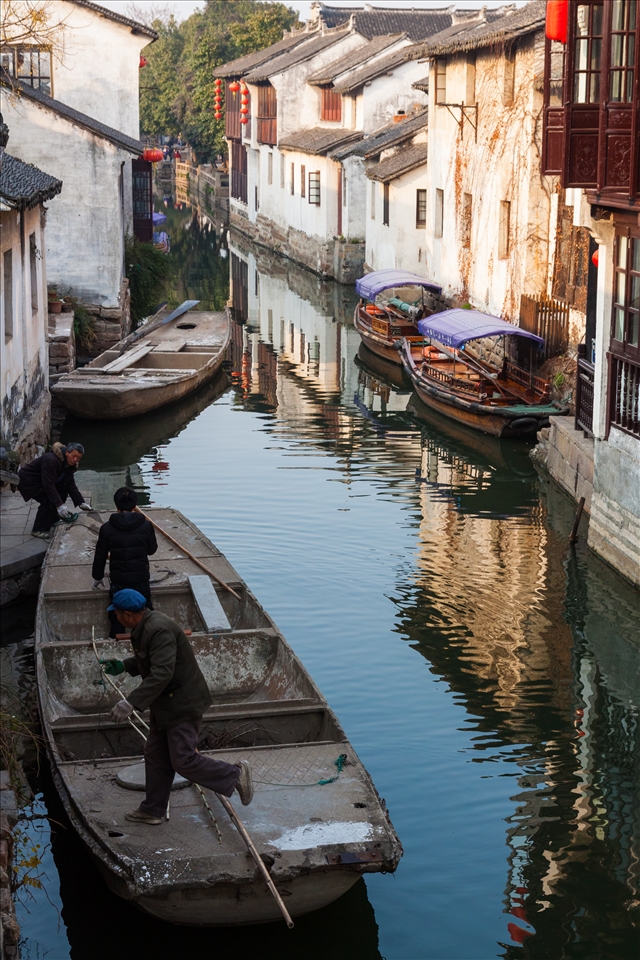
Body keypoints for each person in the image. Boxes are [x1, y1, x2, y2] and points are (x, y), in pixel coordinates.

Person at [101, 589, 253, 824]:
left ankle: (235, 775)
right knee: (156, 755)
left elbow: (162, 672)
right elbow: (150, 659)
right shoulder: (146, 625)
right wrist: (124, 666)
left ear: (128, 614)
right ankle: (152, 810)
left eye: (117, 614)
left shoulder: (158, 629)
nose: (115, 618)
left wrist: (130, 702)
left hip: (181, 703)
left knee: (182, 760)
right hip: (165, 703)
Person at [92, 487, 157, 639]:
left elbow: (100, 555)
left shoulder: (107, 528)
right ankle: (148, 640)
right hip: (140, 578)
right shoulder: (146, 526)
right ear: (135, 506)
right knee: (146, 611)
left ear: (116, 506)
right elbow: (151, 550)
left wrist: (97, 576)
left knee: (117, 615)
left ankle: (116, 642)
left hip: (119, 579)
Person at [17, 441, 90, 539]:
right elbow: (48, 485)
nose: (75, 460)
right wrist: (59, 505)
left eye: (78, 458)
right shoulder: (51, 460)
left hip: (43, 481)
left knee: (62, 493)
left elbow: (70, 484)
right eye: (73, 456)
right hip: (29, 481)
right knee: (47, 501)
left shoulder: (69, 465)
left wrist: (81, 502)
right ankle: (38, 529)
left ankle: (52, 520)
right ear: (67, 452)